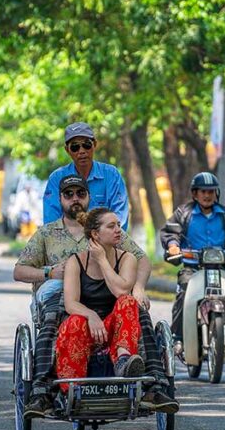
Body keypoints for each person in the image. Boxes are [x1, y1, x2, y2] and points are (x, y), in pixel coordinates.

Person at [16, 177, 177, 417]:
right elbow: (20, 271)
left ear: (88, 196)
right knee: (56, 316)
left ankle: (154, 383)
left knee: (134, 306)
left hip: (113, 299)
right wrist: (49, 272)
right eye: (68, 194)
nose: (75, 198)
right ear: (60, 199)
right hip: (61, 295)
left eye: (80, 193)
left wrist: (140, 287)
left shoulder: (112, 233)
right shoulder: (48, 234)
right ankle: (44, 389)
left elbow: (140, 260)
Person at [51, 208, 146, 391]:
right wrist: (91, 316)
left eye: (118, 225)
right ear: (95, 234)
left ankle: (123, 362)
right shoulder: (76, 261)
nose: (118, 229)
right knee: (74, 321)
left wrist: (102, 260)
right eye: (111, 226)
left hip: (116, 328)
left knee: (128, 302)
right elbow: (71, 303)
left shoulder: (128, 259)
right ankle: (73, 387)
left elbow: (121, 292)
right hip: (86, 328)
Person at [160, 171, 225, 356]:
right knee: (184, 290)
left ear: (216, 193)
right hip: (192, 267)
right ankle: (178, 337)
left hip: (220, 268)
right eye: (203, 191)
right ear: (195, 193)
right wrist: (173, 246)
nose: (207, 195)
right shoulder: (183, 213)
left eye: (211, 191)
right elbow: (171, 232)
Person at [42, 122, 129, 230]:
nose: (82, 151)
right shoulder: (56, 179)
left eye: (86, 145)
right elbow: (51, 223)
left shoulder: (112, 175)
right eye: (75, 147)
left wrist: (102, 243)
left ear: (95, 145)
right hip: (68, 243)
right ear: (67, 150)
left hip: (106, 242)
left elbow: (120, 219)